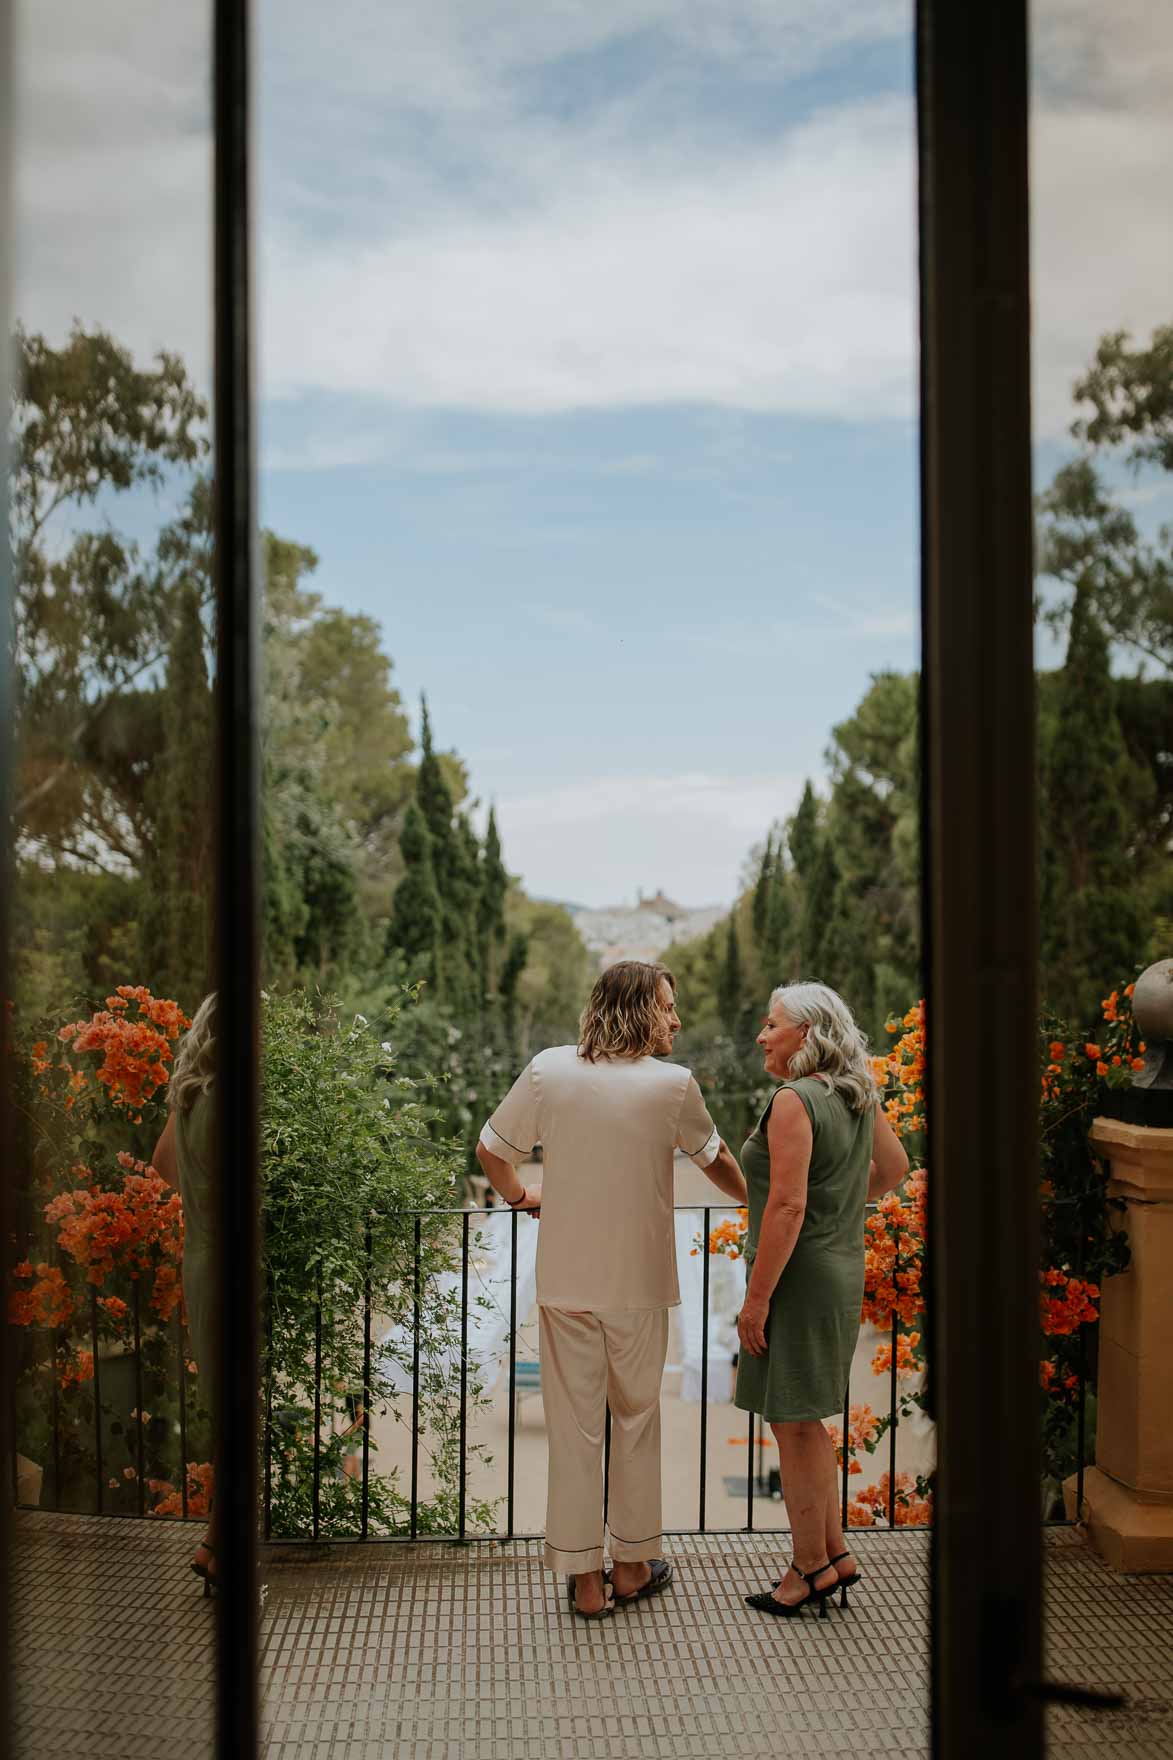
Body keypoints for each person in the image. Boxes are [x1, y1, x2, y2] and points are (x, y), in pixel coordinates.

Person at [476, 960, 748, 1619]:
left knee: (574, 1432)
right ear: (634, 1011)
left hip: (566, 1282)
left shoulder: (547, 1070)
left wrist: (520, 1197)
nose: (675, 1020)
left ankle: (584, 1583)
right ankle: (630, 1566)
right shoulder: (674, 1086)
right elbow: (720, 1165)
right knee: (635, 1423)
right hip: (639, 1287)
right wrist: (762, 1206)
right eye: (666, 1007)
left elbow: (490, 1150)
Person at [734, 981, 909, 1619]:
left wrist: (755, 1303)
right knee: (810, 1422)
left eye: (772, 1023)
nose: (762, 1034)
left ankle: (806, 1568)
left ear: (804, 1033)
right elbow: (894, 1169)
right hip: (838, 1270)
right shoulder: (854, 1092)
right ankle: (833, 1553)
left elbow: (785, 1204)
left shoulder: (794, 1100)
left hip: (797, 1278)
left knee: (793, 1424)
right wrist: (840, 1201)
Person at [152, 992, 218, 1593]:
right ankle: (220, 1546)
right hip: (228, 1262)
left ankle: (216, 1543)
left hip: (199, 1257)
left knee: (225, 1407)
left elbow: (162, 1164)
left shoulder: (190, 1096)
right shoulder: (227, 1100)